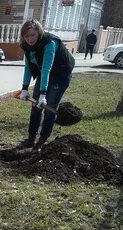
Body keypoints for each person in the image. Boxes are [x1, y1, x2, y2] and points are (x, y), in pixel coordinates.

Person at [18, 20, 75, 150]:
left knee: (49, 108)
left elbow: (46, 69)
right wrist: (25, 88)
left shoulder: (50, 43)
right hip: (45, 75)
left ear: (39, 32)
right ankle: (31, 139)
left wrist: (43, 94)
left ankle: (41, 142)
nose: (29, 39)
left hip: (60, 75)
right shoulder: (27, 46)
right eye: (26, 36)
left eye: (32, 35)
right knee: (36, 107)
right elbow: (28, 67)